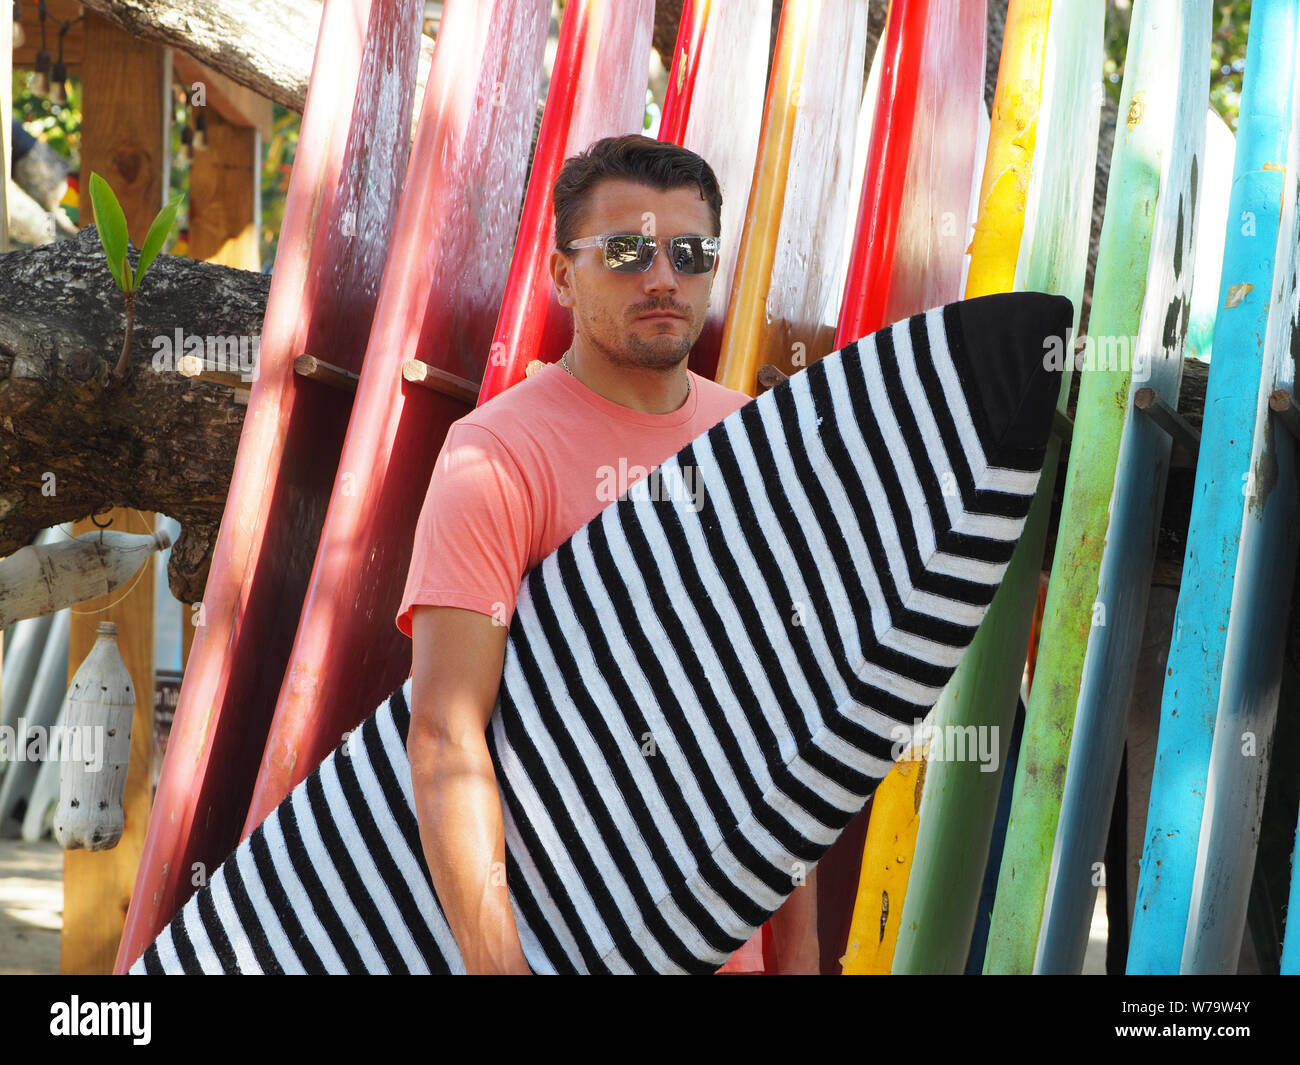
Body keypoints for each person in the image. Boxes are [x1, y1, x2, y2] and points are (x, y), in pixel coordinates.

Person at [396, 134, 819, 974]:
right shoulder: (496, 454)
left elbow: (785, 733)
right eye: (625, 251)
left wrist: (798, 960)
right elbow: (446, 731)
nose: (662, 277)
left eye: (690, 253)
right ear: (561, 275)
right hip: (566, 939)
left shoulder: (762, 442)